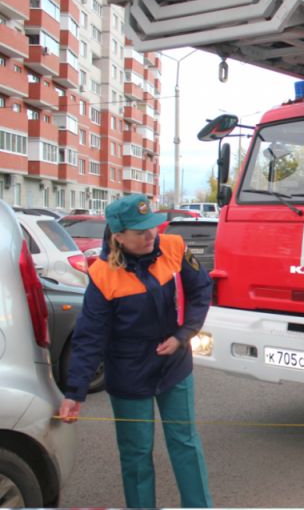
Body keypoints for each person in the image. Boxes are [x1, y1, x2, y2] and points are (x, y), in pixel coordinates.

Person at [59, 194, 213, 508]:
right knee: (136, 454)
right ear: (118, 236)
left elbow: (201, 290)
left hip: (174, 365)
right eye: (140, 230)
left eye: (152, 226)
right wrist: (75, 392)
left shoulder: (173, 247)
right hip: (129, 374)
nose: (150, 235)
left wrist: (183, 335)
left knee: (184, 444)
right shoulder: (103, 274)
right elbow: (90, 336)